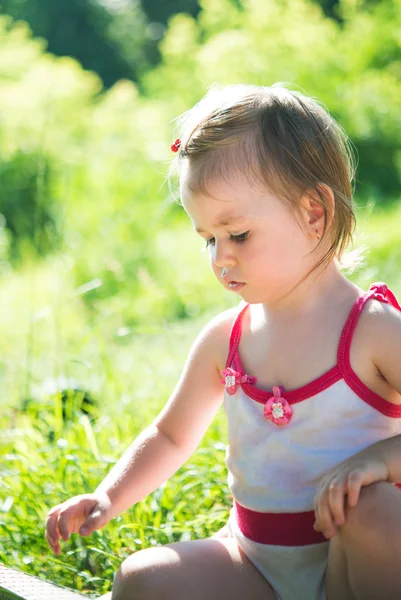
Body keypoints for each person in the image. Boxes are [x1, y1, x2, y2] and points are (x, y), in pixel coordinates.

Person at [45, 83, 401, 600]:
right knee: (142, 580)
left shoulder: (371, 331)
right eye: (208, 239)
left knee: (374, 511)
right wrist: (107, 497)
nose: (220, 258)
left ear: (313, 213)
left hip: (358, 567)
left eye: (237, 235)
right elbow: (171, 436)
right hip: (255, 562)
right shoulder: (226, 339)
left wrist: (380, 461)